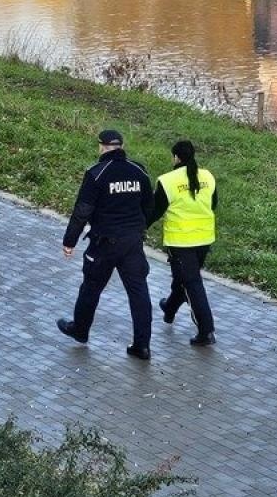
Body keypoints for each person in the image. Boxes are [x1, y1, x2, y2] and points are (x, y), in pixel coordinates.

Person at [58, 128, 155, 360]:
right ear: (121, 146)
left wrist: (69, 241)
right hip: (132, 243)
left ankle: (80, 330)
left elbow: (82, 211)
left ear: (101, 146)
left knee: (91, 287)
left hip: (104, 243)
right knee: (139, 292)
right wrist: (138, 228)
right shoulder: (138, 172)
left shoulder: (96, 173)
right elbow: (149, 207)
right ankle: (142, 345)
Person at [148, 140, 218, 346]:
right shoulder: (207, 176)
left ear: (176, 157)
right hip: (204, 238)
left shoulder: (167, 181)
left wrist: (137, 227)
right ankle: (169, 307)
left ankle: (206, 331)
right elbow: (213, 203)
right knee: (184, 280)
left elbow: (155, 211)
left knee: (192, 283)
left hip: (181, 241)